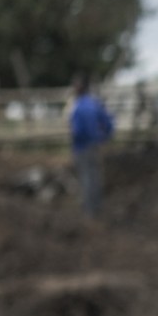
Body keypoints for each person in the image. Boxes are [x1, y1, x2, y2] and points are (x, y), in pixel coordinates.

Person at [69, 75, 115, 218]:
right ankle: (97, 206)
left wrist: (78, 140)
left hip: (82, 147)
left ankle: (89, 210)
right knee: (95, 176)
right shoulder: (95, 104)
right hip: (94, 146)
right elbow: (108, 122)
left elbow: (76, 131)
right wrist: (103, 137)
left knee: (86, 177)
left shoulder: (78, 107)